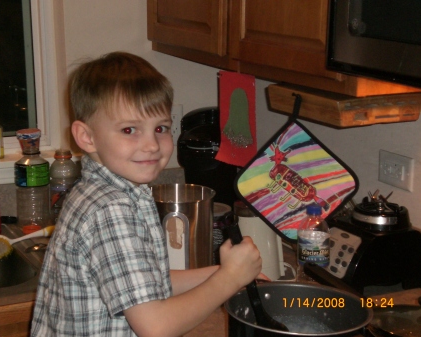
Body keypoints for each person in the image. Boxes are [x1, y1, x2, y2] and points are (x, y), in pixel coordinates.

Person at [30, 51, 262, 337]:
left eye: (161, 128)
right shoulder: (111, 209)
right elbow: (156, 326)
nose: (152, 145)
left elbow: (143, 282)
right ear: (87, 137)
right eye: (130, 129)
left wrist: (220, 272)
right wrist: (229, 278)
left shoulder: (100, 192)